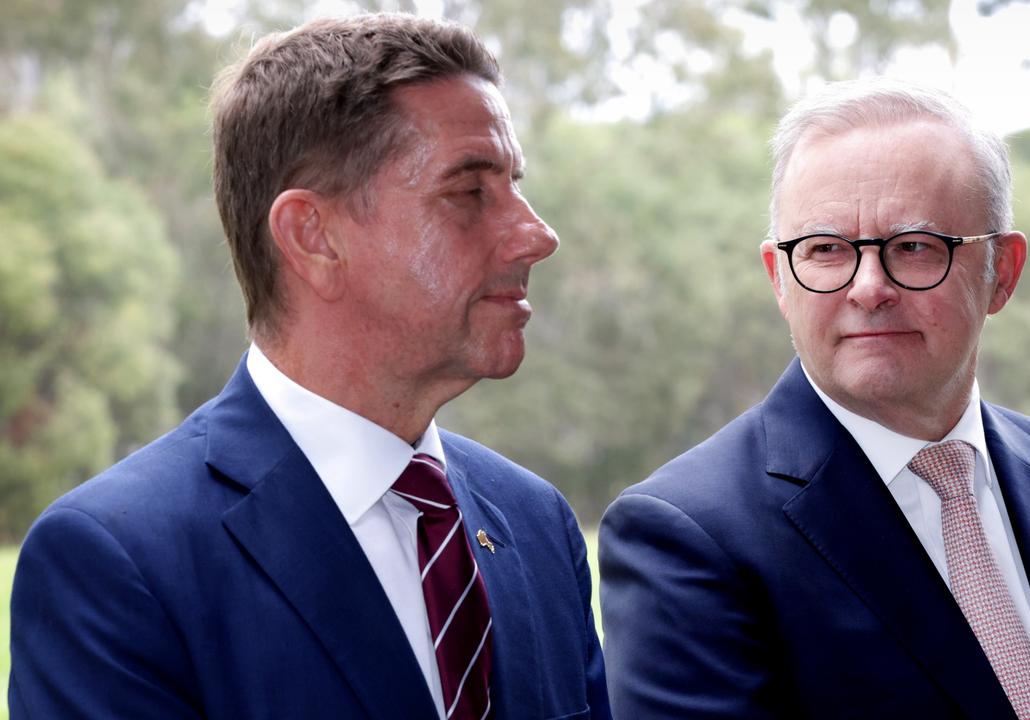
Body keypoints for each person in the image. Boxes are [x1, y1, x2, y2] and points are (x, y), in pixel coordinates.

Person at [9, 14, 609, 720]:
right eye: (470, 192)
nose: (537, 234)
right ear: (312, 236)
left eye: (515, 185)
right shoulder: (117, 563)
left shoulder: (537, 524)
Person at [598, 78, 1030, 719]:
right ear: (779, 279)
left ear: (1002, 273)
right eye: (825, 249)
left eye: (914, 247)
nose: (869, 287)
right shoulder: (688, 538)